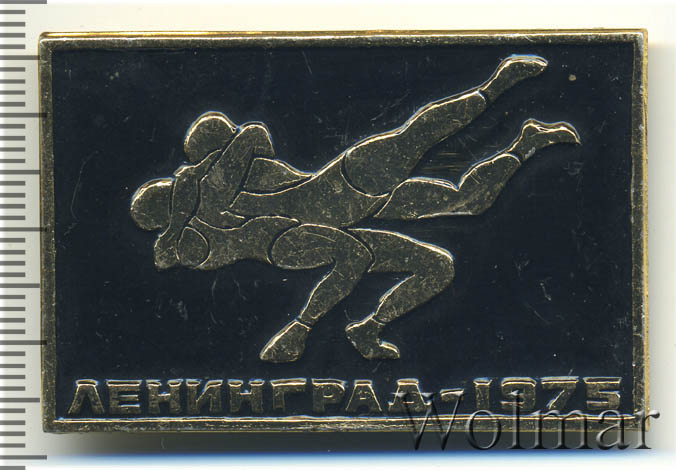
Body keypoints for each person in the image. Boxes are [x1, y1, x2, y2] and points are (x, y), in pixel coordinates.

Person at [130, 55, 580, 363]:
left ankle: (521, 135)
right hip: (333, 204)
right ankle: (499, 86)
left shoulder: (211, 182)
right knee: (421, 173)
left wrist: (186, 194)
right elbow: (248, 138)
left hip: (331, 202)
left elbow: (254, 136)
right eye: (220, 141)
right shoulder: (210, 193)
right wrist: (186, 201)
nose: (230, 139)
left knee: (466, 200)